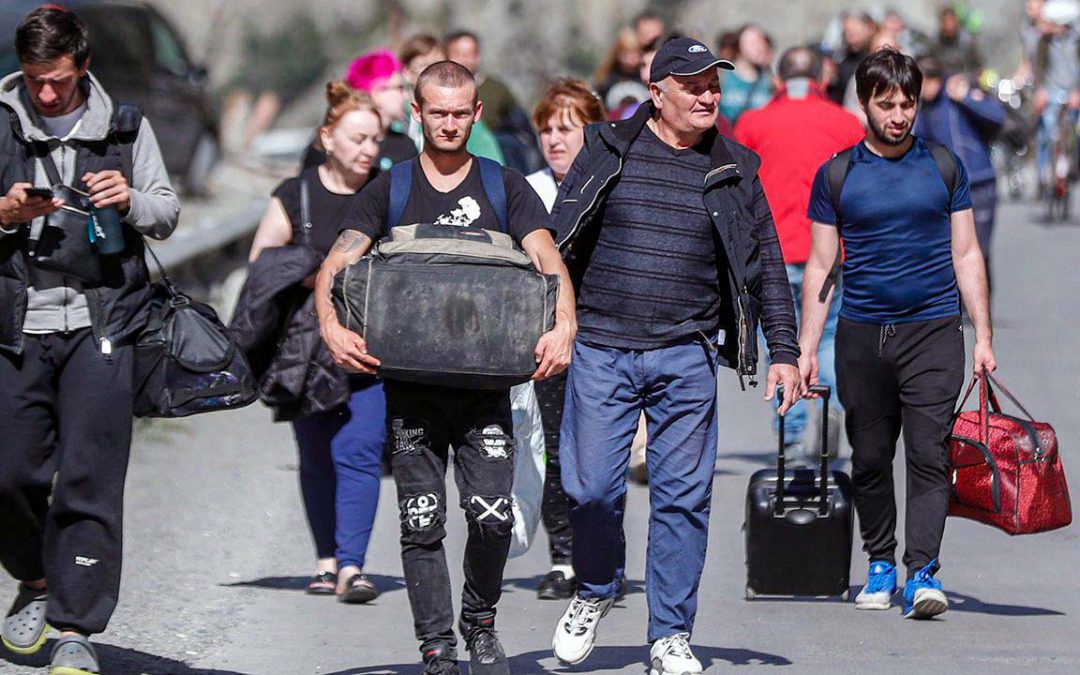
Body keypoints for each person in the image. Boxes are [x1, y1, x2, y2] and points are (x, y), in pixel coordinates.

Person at [548, 37, 800, 675]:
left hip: (686, 354)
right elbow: (558, 240)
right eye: (692, 84)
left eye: (714, 83)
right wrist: (552, 322)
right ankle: (596, 588)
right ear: (657, 93)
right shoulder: (607, 147)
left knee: (682, 499)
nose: (708, 94)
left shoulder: (736, 166)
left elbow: (766, 262)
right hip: (602, 346)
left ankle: (670, 636)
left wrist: (785, 351)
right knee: (591, 491)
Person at [314, 61, 576, 675]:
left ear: (477, 114)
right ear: (418, 112)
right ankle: (437, 647)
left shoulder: (502, 184)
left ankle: (480, 623)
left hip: (486, 389)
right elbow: (334, 265)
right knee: (422, 522)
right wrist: (332, 327)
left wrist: (564, 325)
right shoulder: (392, 189)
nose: (450, 123)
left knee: (490, 520)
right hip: (411, 391)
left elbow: (549, 261)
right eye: (438, 112)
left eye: (461, 113)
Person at [0, 6, 179, 674]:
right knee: (10, 472)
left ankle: (74, 628)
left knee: (90, 478)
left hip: (104, 325)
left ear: (84, 64)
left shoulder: (127, 126)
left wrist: (129, 199)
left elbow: (166, 212)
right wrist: (5, 214)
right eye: (34, 80)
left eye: (59, 80)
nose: (46, 94)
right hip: (15, 324)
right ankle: (37, 579)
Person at [798, 48, 995, 620]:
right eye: (886, 104)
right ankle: (880, 563)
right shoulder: (837, 173)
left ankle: (924, 571)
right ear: (864, 104)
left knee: (930, 455)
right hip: (862, 335)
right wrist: (808, 348)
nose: (899, 115)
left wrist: (982, 334)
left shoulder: (944, 166)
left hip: (933, 332)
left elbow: (966, 252)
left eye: (907, 103)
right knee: (870, 456)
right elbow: (819, 266)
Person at [242, 83, 386, 602]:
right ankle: (326, 559)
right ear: (328, 137)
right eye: (357, 138)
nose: (368, 149)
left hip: (370, 345)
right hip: (306, 350)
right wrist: (311, 268)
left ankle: (352, 566)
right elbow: (260, 267)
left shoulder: (389, 193)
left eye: (376, 138)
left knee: (361, 449)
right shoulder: (294, 195)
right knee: (317, 454)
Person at [734, 46, 864, 463]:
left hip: (769, 253)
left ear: (777, 80)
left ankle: (788, 432)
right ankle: (828, 406)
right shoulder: (846, 125)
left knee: (780, 344)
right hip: (826, 252)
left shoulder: (752, 124)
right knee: (825, 337)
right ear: (822, 80)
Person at [525, 79, 606, 601]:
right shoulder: (527, 191)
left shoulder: (611, 182)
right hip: (545, 340)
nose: (555, 139)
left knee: (599, 459)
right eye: (547, 130)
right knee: (552, 451)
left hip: (604, 339)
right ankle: (563, 559)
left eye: (567, 128)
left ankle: (601, 555)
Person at [914, 55, 1003, 295]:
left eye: (926, 83)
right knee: (952, 249)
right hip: (945, 187)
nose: (923, 90)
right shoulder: (920, 108)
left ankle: (982, 301)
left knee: (979, 250)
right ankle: (959, 304)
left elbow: (997, 116)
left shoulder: (958, 92)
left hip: (978, 182)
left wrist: (965, 98)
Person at [302, 51, 416, 172]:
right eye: (400, 88)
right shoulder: (328, 147)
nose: (405, 95)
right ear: (377, 93)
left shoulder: (405, 147)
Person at [445, 30, 537, 172]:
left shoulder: (497, 90)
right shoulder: (439, 90)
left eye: (469, 54)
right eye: (458, 54)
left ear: (477, 56)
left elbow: (522, 131)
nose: (463, 60)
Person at [1030, 0, 1080, 192]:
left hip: (1072, 93)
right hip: (1051, 92)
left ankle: (1070, 168)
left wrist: (1077, 91)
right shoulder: (1044, 42)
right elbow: (1039, 68)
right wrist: (1040, 91)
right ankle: (1044, 174)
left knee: (1072, 134)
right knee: (1048, 132)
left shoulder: (1076, 42)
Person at [719, 24, 776, 125]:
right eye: (753, 43)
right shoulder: (722, 75)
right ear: (739, 45)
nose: (760, 47)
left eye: (762, 42)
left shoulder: (769, 79)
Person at [594, 28, 650, 116]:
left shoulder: (645, 77)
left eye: (635, 53)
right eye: (626, 53)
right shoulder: (607, 78)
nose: (630, 58)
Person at [829, 11, 877, 104]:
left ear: (869, 29)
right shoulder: (840, 59)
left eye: (855, 31)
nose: (850, 36)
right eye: (847, 32)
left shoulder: (877, 55)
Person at [933, 7, 983, 75]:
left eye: (950, 21)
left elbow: (977, 67)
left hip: (963, 78)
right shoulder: (936, 40)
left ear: (956, 21)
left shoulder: (966, 41)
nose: (948, 25)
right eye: (944, 21)